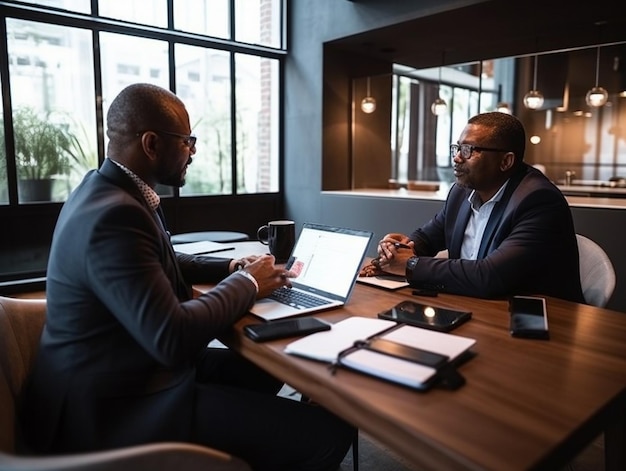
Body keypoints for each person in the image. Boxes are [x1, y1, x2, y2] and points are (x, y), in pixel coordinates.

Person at [20, 83, 353, 470]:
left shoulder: (106, 190)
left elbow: (162, 256)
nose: (193, 152)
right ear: (151, 144)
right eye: (187, 141)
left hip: (122, 370)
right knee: (328, 434)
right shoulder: (116, 215)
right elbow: (172, 338)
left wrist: (230, 268)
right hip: (111, 408)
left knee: (264, 366)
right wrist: (247, 284)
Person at [361, 111, 585, 303]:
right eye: (457, 148)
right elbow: (427, 237)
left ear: (506, 161)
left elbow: (490, 275)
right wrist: (398, 250)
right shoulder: (462, 192)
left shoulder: (539, 201)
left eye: (468, 150)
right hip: (476, 306)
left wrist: (410, 264)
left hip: (540, 321)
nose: (457, 158)